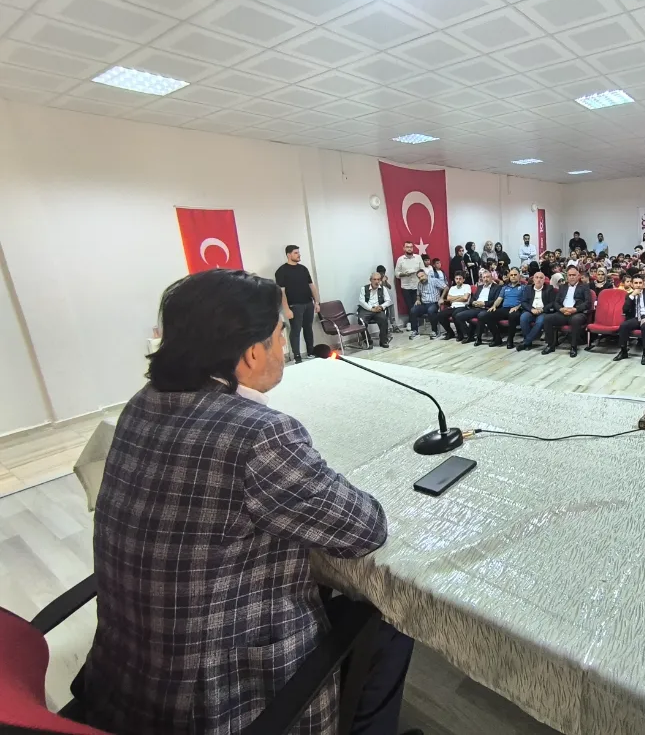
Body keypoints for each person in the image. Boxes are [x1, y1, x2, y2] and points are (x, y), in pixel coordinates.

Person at [77, 269, 419, 735]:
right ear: (253, 351)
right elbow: (364, 529)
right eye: (280, 333)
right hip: (213, 702)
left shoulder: (143, 402)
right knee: (390, 616)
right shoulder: (259, 435)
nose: (283, 346)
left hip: (128, 676)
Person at [275, 245, 320, 364]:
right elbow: (282, 292)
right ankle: (297, 356)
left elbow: (311, 286)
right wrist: (286, 309)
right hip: (294, 306)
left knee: (308, 328)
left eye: (298, 252)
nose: (299, 255)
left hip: (308, 303)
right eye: (296, 253)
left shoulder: (303, 269)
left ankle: (310, 352)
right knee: (295, 330)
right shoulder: (282, 271)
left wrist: (316, 302)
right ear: (288, 255)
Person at [541, 265, 590, 358]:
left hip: (577, 313)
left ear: (578, 276)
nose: (571, 277)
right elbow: (556, 302)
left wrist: (575, 309)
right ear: (567, 276)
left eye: (574, 275)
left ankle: (573, 347)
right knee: (547, 318)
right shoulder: (563, 287)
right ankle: (550, 345)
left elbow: (587, 303)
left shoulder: (584, 287)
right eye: (570, 275)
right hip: (563, 312)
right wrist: (561, 309)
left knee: (575, 320)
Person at [614, 274, 645, 366]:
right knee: (623, 325)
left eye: (640, 283)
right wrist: (632, 296)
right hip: (636, 318)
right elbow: (625, 310)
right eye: (636, 283)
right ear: (632, 284)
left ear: (644, 283)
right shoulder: (629, 295)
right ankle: (623, 351)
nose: (638, 285)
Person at [483, 268, 524, 348]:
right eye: (511, 275)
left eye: (515, 275)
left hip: (517, 309)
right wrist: (494, 306)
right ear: (509, 276)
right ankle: (497, 338)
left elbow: (525, 300)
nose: (513, 276)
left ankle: (510, 340)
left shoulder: (523, 287)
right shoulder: (505, 287)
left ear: (519, 276)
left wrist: (517, 307)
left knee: (512, 316)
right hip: (505, 309)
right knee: (487, 315)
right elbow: (499, 299)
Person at [455, 272, 501, 344]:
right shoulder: (480, 287)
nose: (485, 279)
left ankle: (479, 338)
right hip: (476, 308)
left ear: (491, 278)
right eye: (484, 277)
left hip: (487, 308)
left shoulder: (497, 287)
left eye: (487, 277)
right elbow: (473, 298)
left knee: (481, 315)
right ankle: (470, 335)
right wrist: (473, 302)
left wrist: (484, 303)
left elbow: (496, 300)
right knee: (458, 316)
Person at [517, 270, 555, 351]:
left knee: (540, 321)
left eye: (541, 278)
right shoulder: (528, 288)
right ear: (533, 279)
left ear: (544, 280)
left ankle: (526, 342)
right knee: (523, 318)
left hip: (543, 312)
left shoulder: (549, 288)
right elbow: (524, 302)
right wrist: (531, 309)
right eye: (536, 277)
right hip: (531, 311)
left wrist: (542, 309)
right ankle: (528, 343)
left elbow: (552, 303)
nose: (538, 280)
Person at [409, 269, 446, 339]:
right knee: (413, 310)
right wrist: (418, 300)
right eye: (419, 277)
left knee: (431, 310)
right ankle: (415, 331)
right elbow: (418, 294)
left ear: (426, 275)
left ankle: (434, 331)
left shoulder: (434, 281)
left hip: (434, 303)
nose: (421, 278)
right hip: (424, 304)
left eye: (422, 276)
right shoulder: (419, 284)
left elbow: (446, 287)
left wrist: (441, 298)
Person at [358, 272, 393, 348]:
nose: (376, 281)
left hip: (378, 309)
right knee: (361, 321)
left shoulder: (383, 289)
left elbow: (388, 301)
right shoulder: (364, 289)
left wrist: (381, 307)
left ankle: (383, 341)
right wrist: (371, 309)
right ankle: (368, 341)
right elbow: (361, 301)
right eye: (374, 279)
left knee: (383, 319)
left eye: (378, 279)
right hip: (367, 309)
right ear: (370, 280)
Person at [393, 240, 423, 322]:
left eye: (411, 247)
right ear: (404, 248)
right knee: (409, 306)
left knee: (417, 305)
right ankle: (412, 322)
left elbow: (423, 270)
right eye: (407, 247)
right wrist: (405, 274)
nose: (409, 249)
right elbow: (397, 273)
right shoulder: (400, 259)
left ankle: (416, 321)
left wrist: (418, 273)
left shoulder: (418, 257)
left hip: (417, 285)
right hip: (406, 286)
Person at [438, 272, 472, 340]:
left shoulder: (467, 286)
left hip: (463, 306)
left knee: (455, 314)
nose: (458, 280)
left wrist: (454, 298)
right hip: (453, 307)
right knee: (440, 315)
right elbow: (448, 299)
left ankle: (461, 334)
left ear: (463, 280)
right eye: (456, 279)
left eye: (460, 279)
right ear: (454, 279)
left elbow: (465, 298)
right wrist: (460, 296)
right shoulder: (452, 288)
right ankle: (450, 333)